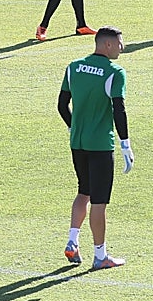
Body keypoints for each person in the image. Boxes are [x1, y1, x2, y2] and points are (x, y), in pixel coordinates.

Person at [57, 25, 134, 271]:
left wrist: (73, 127)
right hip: (100, 145)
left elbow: (61, 105)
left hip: (77, 143)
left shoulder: (74, 67)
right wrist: (125, 143)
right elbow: (119, 110)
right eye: (120, 43)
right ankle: (100, 256)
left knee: (83, 192)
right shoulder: (115, 72)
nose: (122, 48)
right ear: (108, 44)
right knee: (99, 202)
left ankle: (72, 241)